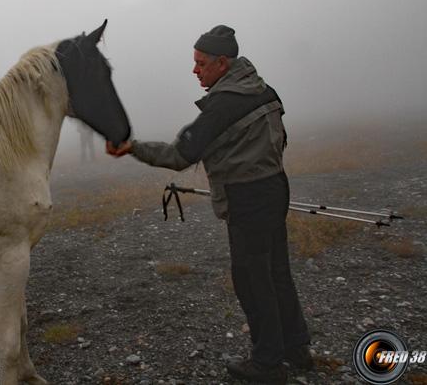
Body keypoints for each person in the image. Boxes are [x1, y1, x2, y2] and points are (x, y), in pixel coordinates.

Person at [107, 25, 311, 384]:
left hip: (247, 199)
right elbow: (281, 137)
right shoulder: (264, 88)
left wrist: (131, 147)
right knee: (278, 272)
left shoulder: (222, 104)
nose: (195, 70)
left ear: (222, 62)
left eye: (201, 63)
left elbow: (179, 154)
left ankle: (266, 363)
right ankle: (297, 350)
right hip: (276, 187)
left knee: (252, 280)